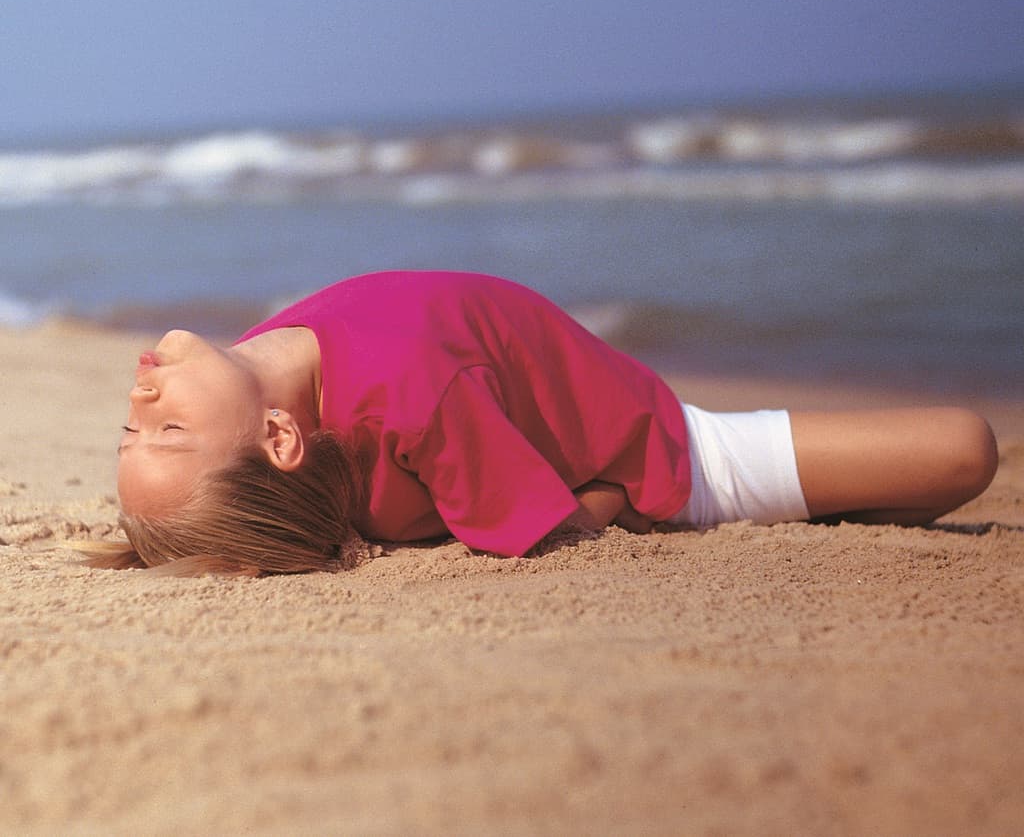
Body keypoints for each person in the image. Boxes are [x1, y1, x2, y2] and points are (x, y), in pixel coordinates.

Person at [89, 270, 998, 575]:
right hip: (672, 453)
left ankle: (834, 500)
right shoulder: (410, 397)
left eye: (132, 435)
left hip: (619, 406)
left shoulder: (273, 350)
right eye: (168, 434)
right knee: (967, 448)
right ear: (279, 437)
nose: (140, 409)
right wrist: (613, 498)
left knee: (883, 482)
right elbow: (551, 529)